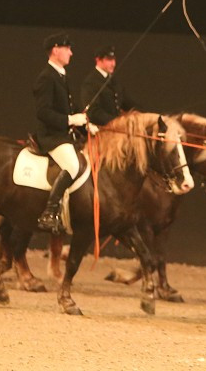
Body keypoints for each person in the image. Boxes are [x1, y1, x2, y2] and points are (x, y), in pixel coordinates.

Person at [33, 31, 88, 234]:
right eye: (67, 49)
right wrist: (69, 120)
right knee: (72, 165)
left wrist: (86, 123)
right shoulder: (46, 78)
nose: (71, 53)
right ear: (56, 50)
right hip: (51, 137)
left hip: (64, 135)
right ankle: (49, 213)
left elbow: (70, 107)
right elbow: (43, 112)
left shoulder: (61, 76)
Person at [80, 45, 137, 127]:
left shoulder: (114, 81)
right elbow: (93, 112)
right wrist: (116, 121)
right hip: (101, 129)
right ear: (98, 60)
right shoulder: (91, 82)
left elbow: (127, 102)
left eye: (114, 60)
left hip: (116, 128)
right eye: (109, 60)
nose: (113, 64)